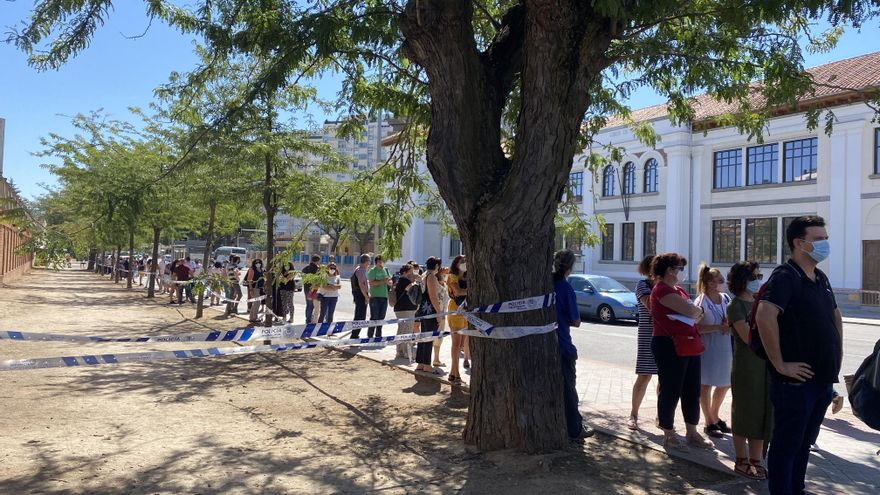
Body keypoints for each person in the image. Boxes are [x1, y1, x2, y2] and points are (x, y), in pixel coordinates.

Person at [756, 215, 842, 495]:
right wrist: (780, 364)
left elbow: (834, 315)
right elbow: (765, 316)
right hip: (795, 384)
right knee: (786, 445)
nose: (825, 244)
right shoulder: (785, 276)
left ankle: (796, 489)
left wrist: (835, 358)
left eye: (825, 238)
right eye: (819, 239)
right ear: (799, 243)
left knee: (804, 443)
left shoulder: (820, 277)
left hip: (820, 380)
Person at [650, 252, 713, 452]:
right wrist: (695, 311)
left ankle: (692, 432)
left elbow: (696, 314)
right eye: (679, 268)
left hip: (690, 344)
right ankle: (669, 434)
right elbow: (693, 312)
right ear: (670, 270)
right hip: (669, 345)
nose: (681, 272)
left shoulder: (678, 291)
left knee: (692, 390)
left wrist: (695, 312)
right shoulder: (662, 290)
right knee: (671, 389)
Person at [726, 261, 772, 480]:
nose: (758, 280)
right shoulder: (735, 306)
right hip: (747, 367)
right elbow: (748, 337)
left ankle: (757, 460)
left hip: (765, 365)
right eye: (754, 276)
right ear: (742, 280)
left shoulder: (759, 302)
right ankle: (741, 459)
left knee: (763, 413)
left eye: (759, 275)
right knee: (745, 413)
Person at [554, 249, 593, 442]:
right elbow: (576, 320)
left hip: (548, 344)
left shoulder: (545, 285)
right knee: (569, 389)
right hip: (562, 345)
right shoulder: (565, 287)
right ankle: (575, 429)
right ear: (570, 267)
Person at [695, 263, 733, 438]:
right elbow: (697, 328)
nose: (724, 283)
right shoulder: (701, 301)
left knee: (725, 383)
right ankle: (709, 421)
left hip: (725, 347)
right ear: (710, 283)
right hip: (708, 348)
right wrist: (718, 327)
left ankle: (715, 415)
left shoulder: (725, 298)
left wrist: (729, 327)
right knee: (706, 384)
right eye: (721, 280)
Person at [629, 255, 659, 431]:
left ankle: (661, 415)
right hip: (648, 335)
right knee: (644, 375)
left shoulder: (669, 287)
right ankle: (633, 414)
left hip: (665, 335)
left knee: (664, 378)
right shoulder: (643, 285)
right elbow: (651, 306)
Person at [415, 257, 443, 374]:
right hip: (429, 310)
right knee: (429, 337)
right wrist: (439, 313)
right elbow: (433, 296)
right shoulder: (431, 277)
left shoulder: (425, 275)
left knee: (423, 336)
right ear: (436, 265)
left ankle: (421, 363)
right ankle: (426, 364)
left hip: (424, 309)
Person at [448, 255, 469, 382]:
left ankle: (452, 372)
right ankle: (456, 374)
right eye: (462, 262)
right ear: (456, 264)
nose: (464, 263)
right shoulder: (452, 277)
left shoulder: (467, 277)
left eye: (466, 261)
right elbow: (458, 292)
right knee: (456, 344)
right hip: (456, 309)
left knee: (461, 344)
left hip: (466, 310)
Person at [393, 264, 420, 361]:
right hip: (406, 309)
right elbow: (410, 288)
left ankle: (399, 350)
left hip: (400, 309)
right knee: (407, 331)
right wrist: (416, 280)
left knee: (401, 330)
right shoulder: (405, 281)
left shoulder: (398, 280)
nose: (413, 273)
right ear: (405, 272)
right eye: (411, 271)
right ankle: (405, 352)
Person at [367, 255, 392, 338]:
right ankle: (370, 335)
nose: (381, 263)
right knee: (374, 317)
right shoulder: (372, 271)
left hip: (384, 296)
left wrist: (388, 282)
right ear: (376, 262)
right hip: (375, 297)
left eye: (382, 262)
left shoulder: (385, 270)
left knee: (381, 317)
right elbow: (371, 283)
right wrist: (382, 281)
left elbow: (390, 282)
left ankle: (378, 335)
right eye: (379, 262)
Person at [350, 255, 371, 338]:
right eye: (369, 262)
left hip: (358, 294)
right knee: (360, 316)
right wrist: (366, 296)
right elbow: (361, 285)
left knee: (358, 315)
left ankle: (355, 334)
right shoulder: (361, 271)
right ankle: (354, 335)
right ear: (367, 262)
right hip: (360, 295)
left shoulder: (358, 269)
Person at [434, 266, 450, 367]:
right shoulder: (435, 283)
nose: (445, 273)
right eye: (443, 271)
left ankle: (436, 359)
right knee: (434, 337)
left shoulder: (445, 284)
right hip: (437, 313)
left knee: (439, 338)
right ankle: (434, 359)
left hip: (443, 313)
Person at [302, 255, 320, 324]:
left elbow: (302, 277)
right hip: (314, 289)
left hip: (306, 289)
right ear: (317, 261)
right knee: (313, 306)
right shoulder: (317, 269)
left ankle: (307, 320)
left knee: (308, 305)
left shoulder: (306, 268)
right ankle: (311, 320)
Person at [246, 259, 266, 323]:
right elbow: (249, 280)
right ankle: (255, 318)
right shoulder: (252, 270)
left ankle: (252, 317)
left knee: (256, 303)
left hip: (260, 288)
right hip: (254, 288)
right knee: (257, 303)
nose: (258, 264)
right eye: (256, 263)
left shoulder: (262, 270)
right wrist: (251, 289)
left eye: (259, 263)